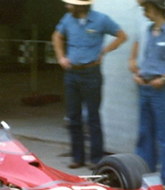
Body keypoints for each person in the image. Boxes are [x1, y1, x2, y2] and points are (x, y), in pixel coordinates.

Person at [52, 0, 127, 170]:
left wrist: (104, 51)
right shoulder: (67, 19)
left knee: (93, 117)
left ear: (81, 6)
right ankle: (77, 157)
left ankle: (96, 159)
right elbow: (56, 36)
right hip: (72, 74)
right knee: (73, 116)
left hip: (91, 74)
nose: (67, 6)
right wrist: (61, 57)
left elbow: (122, 36)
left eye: (70, 4)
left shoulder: (101, 19)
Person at [131, 0, 165, 190]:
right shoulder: (149, 31)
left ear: (157, 9)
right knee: (145, 132)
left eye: (147, 9)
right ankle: (144, 173)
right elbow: (146, 58)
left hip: (160, 88)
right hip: (145, 86)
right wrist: (138, 74)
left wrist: (164, 78)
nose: (145, 12)